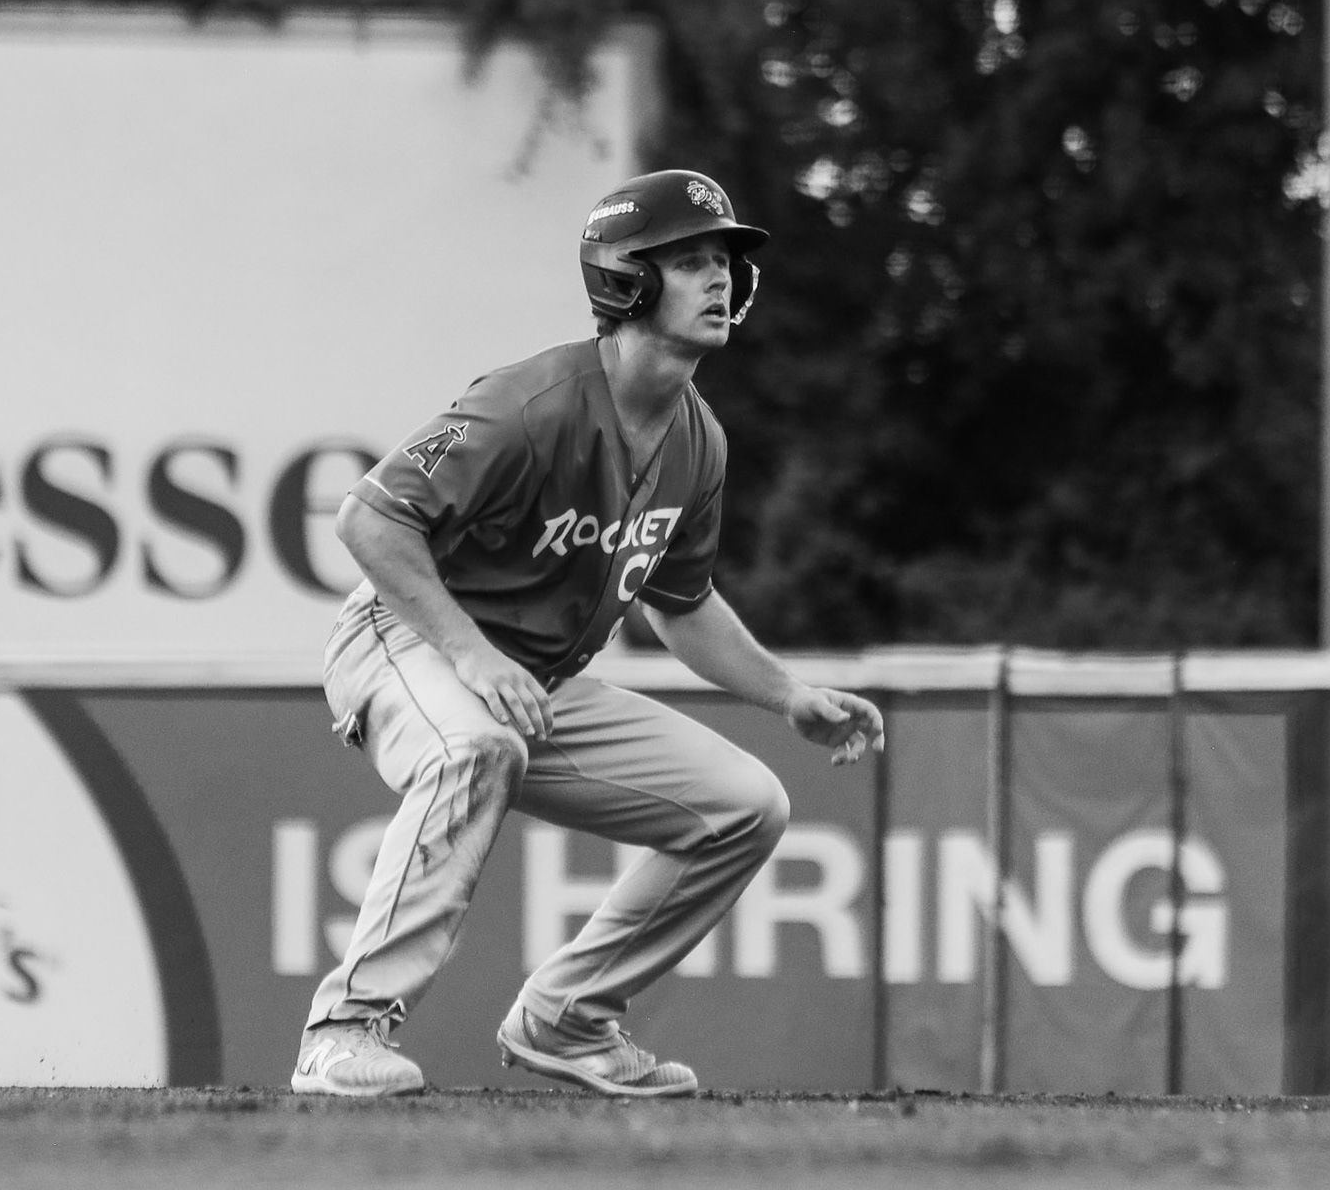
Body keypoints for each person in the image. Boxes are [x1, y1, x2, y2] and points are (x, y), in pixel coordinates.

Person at [291, 169, 885, 1098]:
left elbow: (679, 603)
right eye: (689, 261)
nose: (720, 278)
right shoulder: (532, 403)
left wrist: (787, 694)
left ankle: (566, 1020)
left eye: (725, 261)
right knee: (475, 748)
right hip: (407, 638)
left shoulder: (698, 441)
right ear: (626, 280)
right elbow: (370, 519)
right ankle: (342, 1032)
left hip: (531, 679)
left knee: (746, 804)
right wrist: (470, 654)